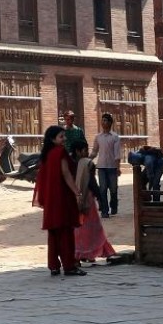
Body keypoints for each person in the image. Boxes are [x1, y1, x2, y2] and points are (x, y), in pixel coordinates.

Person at [32, 125, 86, 276]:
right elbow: (66, 174)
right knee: (66, 231)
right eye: (61, 136)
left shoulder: (46, 154)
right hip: (62, 196)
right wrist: (76, 191)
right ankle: (69, 266)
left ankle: (54, 266)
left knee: (54, 232)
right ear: (52, 139)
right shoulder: (60, 152)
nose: (64, 139)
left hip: (51, 198)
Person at [71, 139, 116, 263]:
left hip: (74, 199)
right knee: (95, 227)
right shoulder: (88, 163)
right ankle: (99, 251)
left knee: (78, 229)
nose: (86, 153)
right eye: (85, 150)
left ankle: (79, 254)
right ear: (78, 151)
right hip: (87, 198)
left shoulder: (69, 163)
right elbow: (92, 182)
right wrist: (100, 198)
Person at [90, 113, 122, 217]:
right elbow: (95, 151)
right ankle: (104, 210)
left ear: (110, 123)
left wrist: (118, 167)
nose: (103, 123)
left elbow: (117, 154)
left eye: (105, 121)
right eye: (102, 120)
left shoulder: (115, 137)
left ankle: (114, 206)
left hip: (112, 167)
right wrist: (88, 158)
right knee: (102, 189)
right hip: (101, 167)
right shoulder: (98, 137)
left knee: (113, 189)